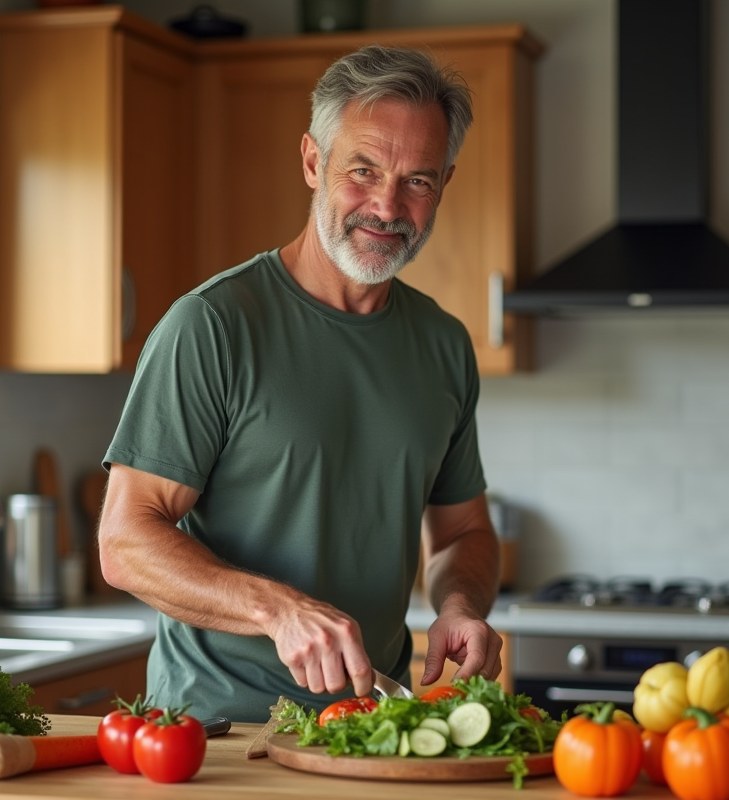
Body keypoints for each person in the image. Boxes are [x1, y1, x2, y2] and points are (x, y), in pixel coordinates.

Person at [98, 44, 502, 723]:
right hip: (217, 738)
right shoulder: (213, 326)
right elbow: (125, 541)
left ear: (445, 184)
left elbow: (464, 532)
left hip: (374, 727)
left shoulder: (444, 345)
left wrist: (461, 605)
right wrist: (277, 610)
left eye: (418, 181)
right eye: (363, 169)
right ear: (314, 161)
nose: (386, 205)